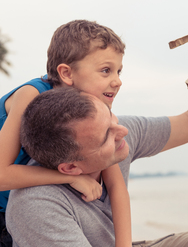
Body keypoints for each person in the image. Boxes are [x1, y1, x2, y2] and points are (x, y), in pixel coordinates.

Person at [6, 34, 188, 246]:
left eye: (113, 120)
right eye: (106, 137)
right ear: (70, 169)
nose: (121, 132)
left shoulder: (112, 125)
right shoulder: (36, 203)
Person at [0, 20, 132, 247]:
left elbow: (116, 186)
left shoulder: (95, 109)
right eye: (105, 70)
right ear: (66, 74)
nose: (117, 81)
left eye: (118, 71)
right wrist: (71, 177)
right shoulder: (31, 95)